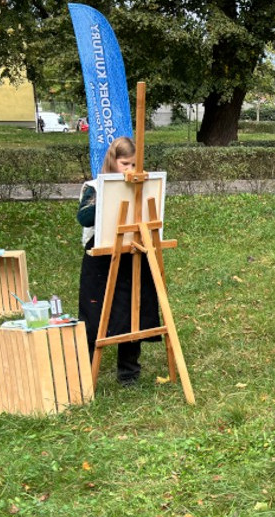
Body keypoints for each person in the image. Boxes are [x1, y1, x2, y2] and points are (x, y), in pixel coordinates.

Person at [76, 137, 161, 385]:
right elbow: (84, 218)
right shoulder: (94, 186)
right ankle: (86, 369)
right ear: (113, 161)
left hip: (132, 250)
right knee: (94, 312)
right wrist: (107, 194)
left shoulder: (141, 184)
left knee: (132, 309)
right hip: (101, 255)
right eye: (125, 164)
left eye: (134, 164)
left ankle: (129, 372)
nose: (130, 170)